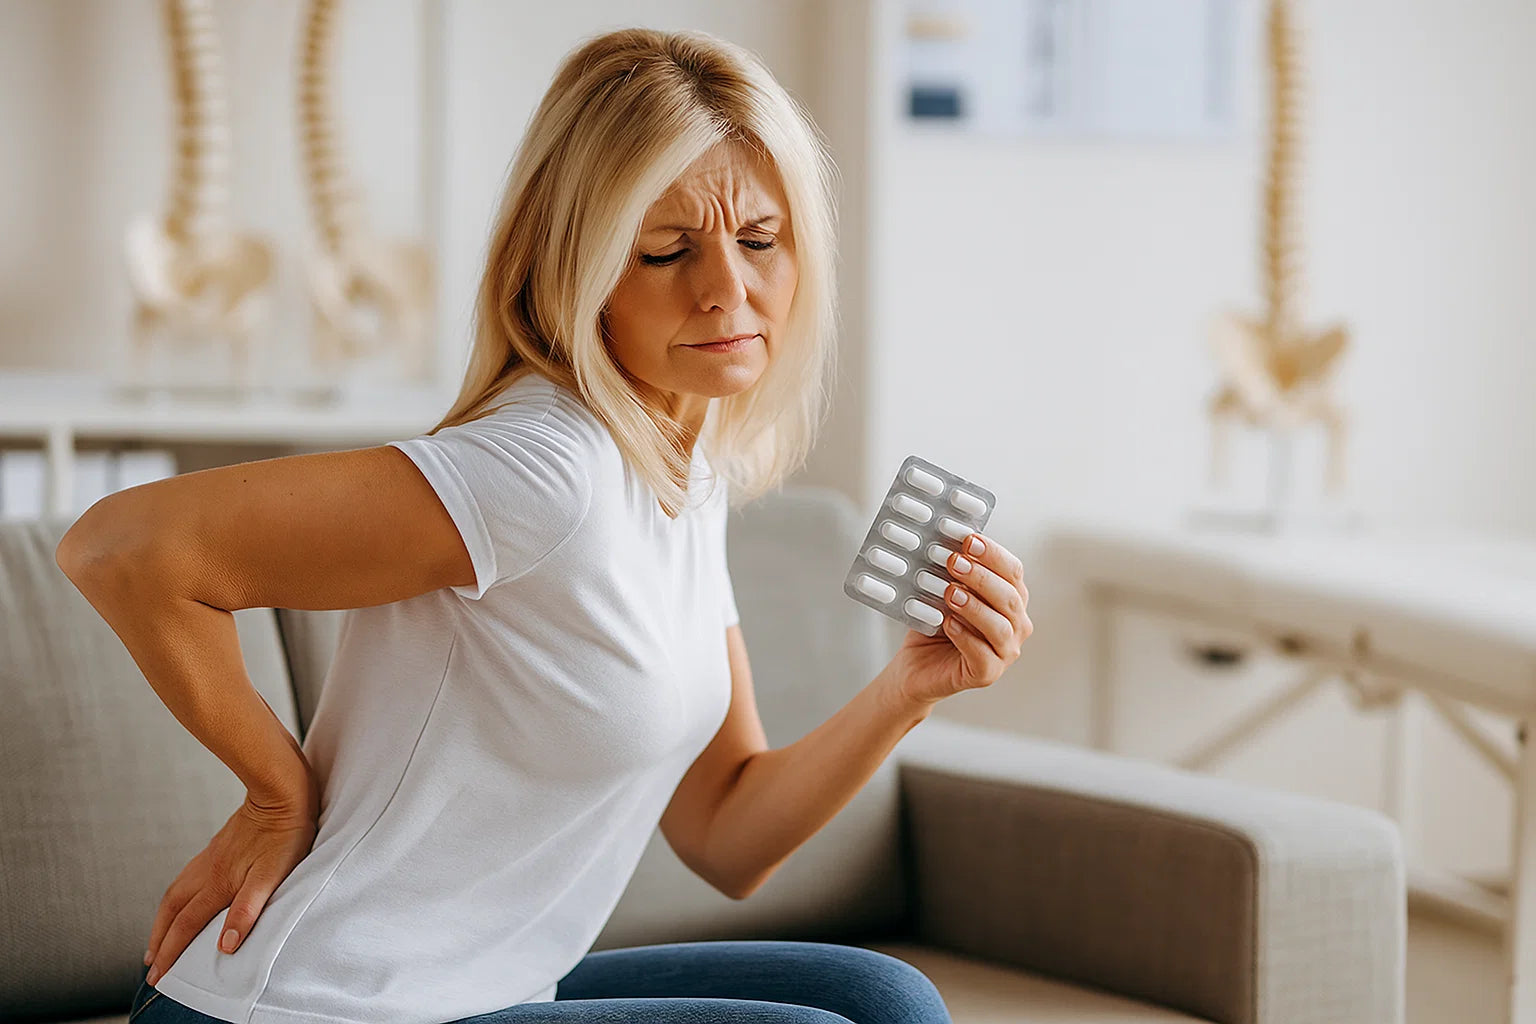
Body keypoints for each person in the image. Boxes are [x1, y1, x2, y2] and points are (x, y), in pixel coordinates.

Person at [60, 26, 1032, 1024]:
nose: (726, 291)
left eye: (758, 240)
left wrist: (912, 688)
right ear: (579, 265)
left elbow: (726, 831)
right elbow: (122, 548)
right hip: (314, 1004)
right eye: (665, 250)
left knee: (884, 997)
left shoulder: (685, 470)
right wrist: (278, 794)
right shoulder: (542, 466)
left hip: (485, 994)